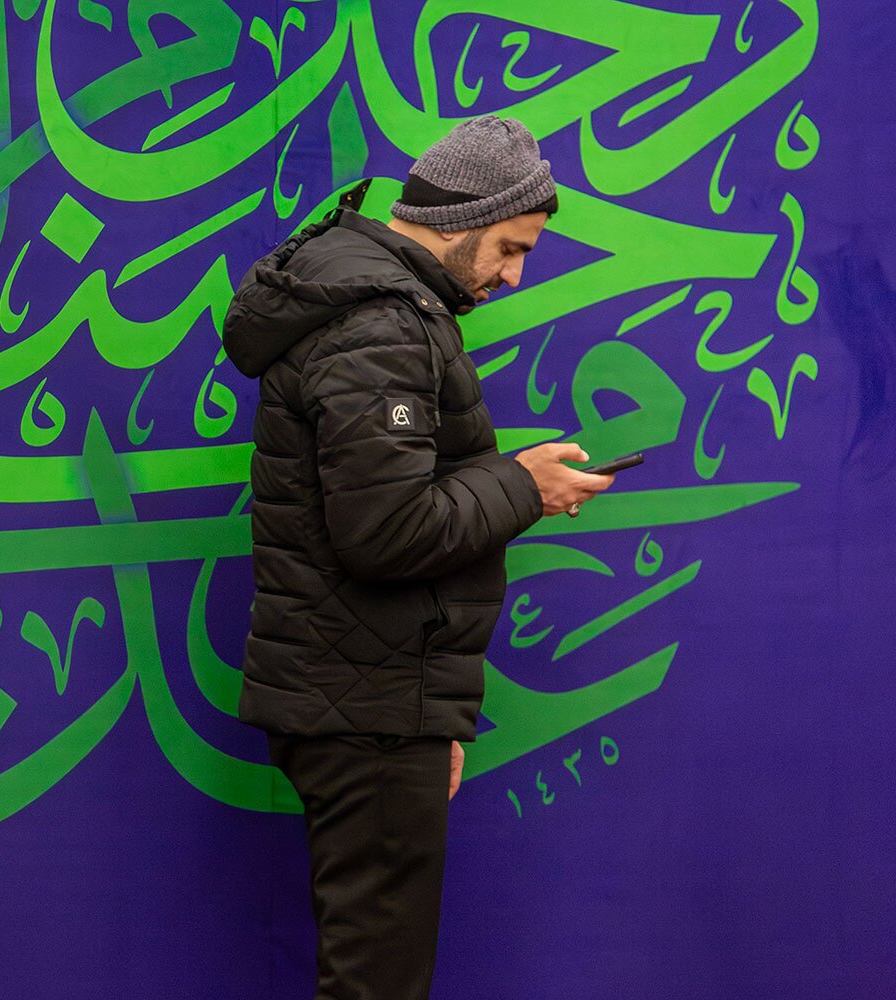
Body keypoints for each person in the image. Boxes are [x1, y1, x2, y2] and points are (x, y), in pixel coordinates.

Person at [222, 115, 613, 1000]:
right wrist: (524, 486)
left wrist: (430, 718)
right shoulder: (381, 325)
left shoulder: (381, 309)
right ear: (461, 221)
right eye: (511, 249)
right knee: (378, 982)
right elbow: (387, 531)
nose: (513, 277)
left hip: (378, 703)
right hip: (368, 711)